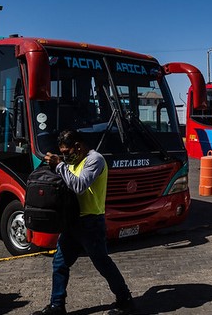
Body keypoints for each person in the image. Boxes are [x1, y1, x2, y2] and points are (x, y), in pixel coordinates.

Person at [34, 130, 134, 315]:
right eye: (62, 152)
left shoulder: (95, 160)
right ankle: (57, 305)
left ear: (78, 147)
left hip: (91, 223)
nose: (65, 155)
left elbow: (80, 186)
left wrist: (60, 166)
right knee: (59, 264)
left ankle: (125, 299)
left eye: (67, 151)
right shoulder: (71, 162)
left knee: (102, 263)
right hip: (72, 221)